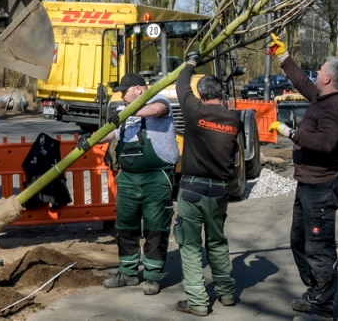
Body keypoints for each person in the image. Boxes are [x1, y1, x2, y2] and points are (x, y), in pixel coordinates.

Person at [267, 33, 338, 321]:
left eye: (320, 71)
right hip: (308, 184)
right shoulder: (321, 97)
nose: (316, 73)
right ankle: (315, 292)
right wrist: (284, 57)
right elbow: (301, 82)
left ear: (329, 78)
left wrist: (292, 134)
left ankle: (322, 307)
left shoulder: (335, 108)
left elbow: (328, 142)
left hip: (321, 187)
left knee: (318, 248)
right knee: (299, 241)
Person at [78, 73, 179, 296]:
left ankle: (152, 276)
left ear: (139, 90)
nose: (122, 95)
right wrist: (90, 139)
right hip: (128, 178)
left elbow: (155, 111)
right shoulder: (127, 112)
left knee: (155, 228)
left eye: (125, 91)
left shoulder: (158, 101)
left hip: (155, 178)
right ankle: (127, 273)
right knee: (125, 228)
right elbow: (112, 132)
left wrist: (126, 111)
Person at [171, 51, 241, 317]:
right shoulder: (233, 120)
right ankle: (226, 293)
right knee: (217, 242)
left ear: (200, 95)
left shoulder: (194, 111)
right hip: (220, 190)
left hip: (192, 188)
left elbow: (180, 84)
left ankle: (198, 302)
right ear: (221, 95)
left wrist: (190, 62)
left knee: (189, 245)